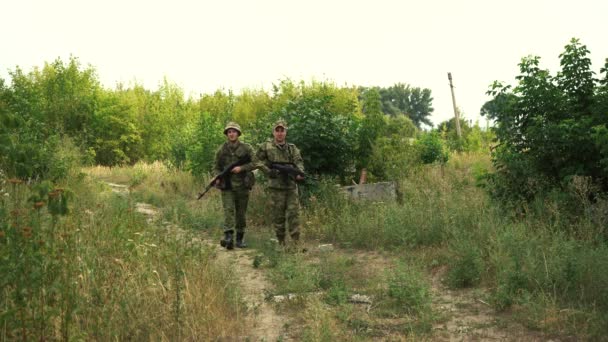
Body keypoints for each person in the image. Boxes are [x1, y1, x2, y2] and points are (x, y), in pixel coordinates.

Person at [256, 119, 305, 247]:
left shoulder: (292, 149)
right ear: (273, 132)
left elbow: (299, 162)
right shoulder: (266, 147)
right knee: (278, 217)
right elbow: (256, 161)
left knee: (294, 215)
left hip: (290, 187)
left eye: (282, 131)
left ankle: (296, 244)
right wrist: (268, 171)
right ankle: (281, 243)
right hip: (275, 188)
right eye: (277, 131)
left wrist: (299, 173)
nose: (279, 133)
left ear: (285, 133)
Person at [213, 122, 256, 250]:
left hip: (243, 185)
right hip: (227, 186)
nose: (231, 134)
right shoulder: (221, 150)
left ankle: (240, 239)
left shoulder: (247, 148)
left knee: (241, 213)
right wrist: (217, 177)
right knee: (228, 211)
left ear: (238, 133)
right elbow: (216, 167)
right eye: (229, 132)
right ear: (227, 134)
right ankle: (228, 237)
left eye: (234, 131)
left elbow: (255, 163)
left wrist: (241, 168)